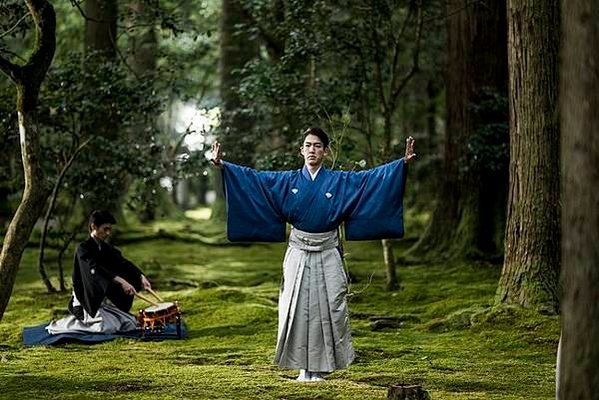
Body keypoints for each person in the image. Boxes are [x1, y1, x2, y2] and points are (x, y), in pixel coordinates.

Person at [211, 127, 415, 382]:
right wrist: (223, 166)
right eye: (308, 145)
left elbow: (370, 180)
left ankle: (321, 368)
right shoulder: (288, 181)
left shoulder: (339, 182)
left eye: (317, 146)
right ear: (301, 150)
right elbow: (256, 180)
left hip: (328, 250)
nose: (312, 150)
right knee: (296, 308)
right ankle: (301, 369)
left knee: (329, 307)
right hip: (298, 250)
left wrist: (401, 165)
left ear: (325, 151)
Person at [46, 210, 152, 335]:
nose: (108, 233)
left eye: (110, 229)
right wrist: (121, 281)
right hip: (86, 303)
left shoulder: (105, 248)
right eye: (105, 229)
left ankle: (107, 316)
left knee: (130, 323)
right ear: (93, 227)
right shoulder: (83, 249)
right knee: (107, 328)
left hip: (100, 303)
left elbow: (123, 263)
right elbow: (95, 270)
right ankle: (61, 325)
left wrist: (140, 277)